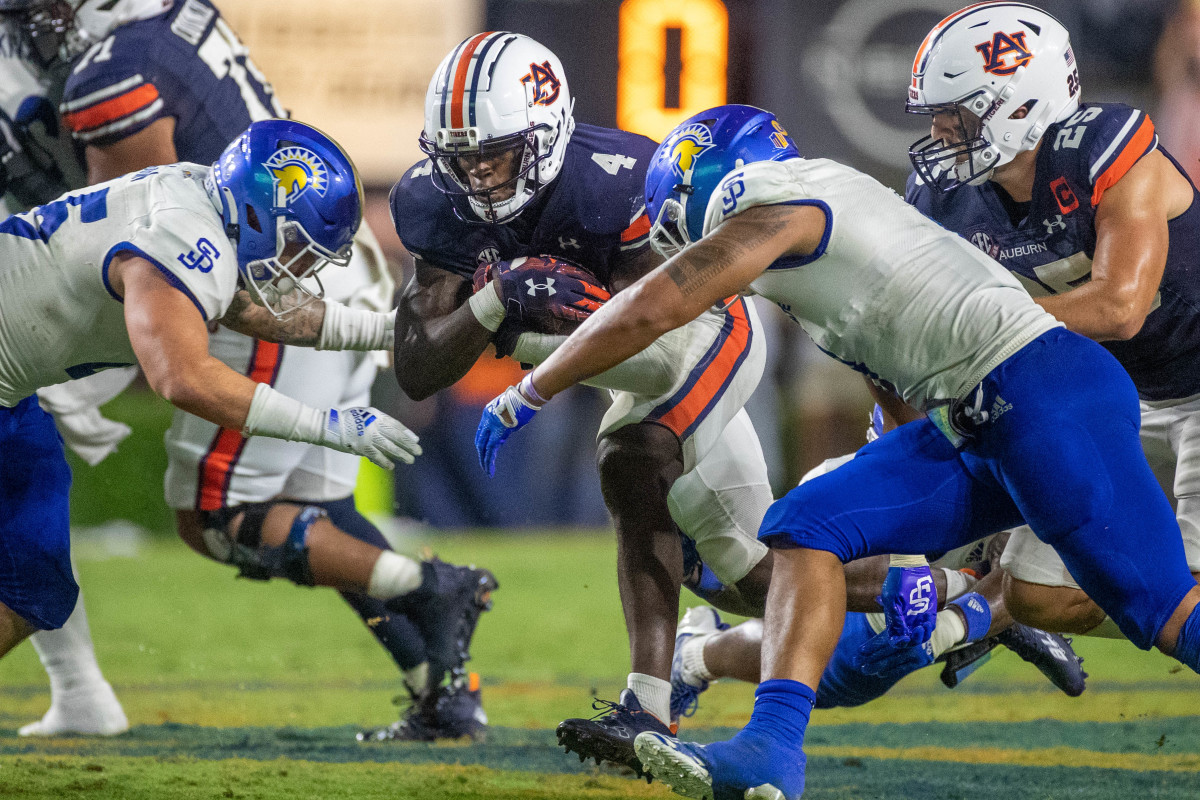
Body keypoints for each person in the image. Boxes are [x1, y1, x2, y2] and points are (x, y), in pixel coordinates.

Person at [474, 103, 1200, 799]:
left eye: (679, 220)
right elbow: (899, 384)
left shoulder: (783, 202)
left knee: (1166, 614)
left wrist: (531, 388)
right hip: (997, 414)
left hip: (1040, 395)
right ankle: (769, 750)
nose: (680, 239)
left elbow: (660, 303)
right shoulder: (826, 220)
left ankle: (816, 700)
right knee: (810, 521)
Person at [0, 0, 497, 741]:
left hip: (14, 377)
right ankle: (428, 600)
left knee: (38, 566)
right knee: (218, 518)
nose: (301, 275)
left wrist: (389, 334)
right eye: (297, 255)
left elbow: (244, 306)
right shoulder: (176, 215)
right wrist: (328, 423)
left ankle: (433, 640)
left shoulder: (202, 196)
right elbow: (184, 373)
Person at [391, 31, 775, 771]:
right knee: (752, 576)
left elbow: (654, 325)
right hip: (616, 362)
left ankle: (647, 711)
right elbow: (416, 368)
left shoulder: (616, 178)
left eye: (494, 152)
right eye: (460, 157)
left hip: (701, 335)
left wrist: (536, 376)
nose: (477, 174)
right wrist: (497, 302)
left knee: (632, 459)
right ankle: (947, 600)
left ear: (546, 132)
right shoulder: (433, 202)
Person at [905, 2, 1200, 641]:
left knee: (1187, 588)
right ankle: (998, 614)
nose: (941, 133)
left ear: (1018, 103)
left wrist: (977, 333)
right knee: (1040, 596)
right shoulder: (946, 198)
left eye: (956, 115)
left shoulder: (1103, 146)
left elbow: (1119, 307)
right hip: (1123, 396)